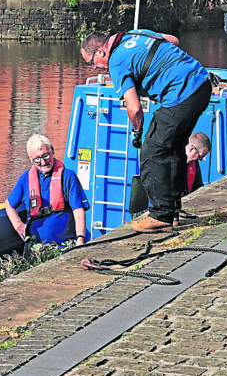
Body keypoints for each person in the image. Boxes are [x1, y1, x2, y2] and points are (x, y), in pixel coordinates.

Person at [81, 29, 212, 233]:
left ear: (101, 51)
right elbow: (173, 40)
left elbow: (134, 109)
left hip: (182, 93)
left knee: (153, 150)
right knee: (174, 147)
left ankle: (161, 215)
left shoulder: (116, 62)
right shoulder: (134, 34)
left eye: (91, 62)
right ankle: (173, 209)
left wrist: (137, 131)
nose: (95, 68)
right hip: (202, 83)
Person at [4, 134, 90, 246]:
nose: (43, 162)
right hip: (35, 247)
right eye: (37, 159)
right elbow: (9, 204)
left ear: (52, 151)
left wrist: (80, 240)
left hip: (64, 246)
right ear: (31, 160)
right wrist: (18, 225)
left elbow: (78, 211)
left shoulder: (68, 176)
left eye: (45, 156)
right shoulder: (26, 178)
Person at [183, 132, 212, 196]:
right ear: (191, 149)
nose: (200, 160)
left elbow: (198, 186)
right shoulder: (172, 162)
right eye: (200, 156)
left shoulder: (194, 164)